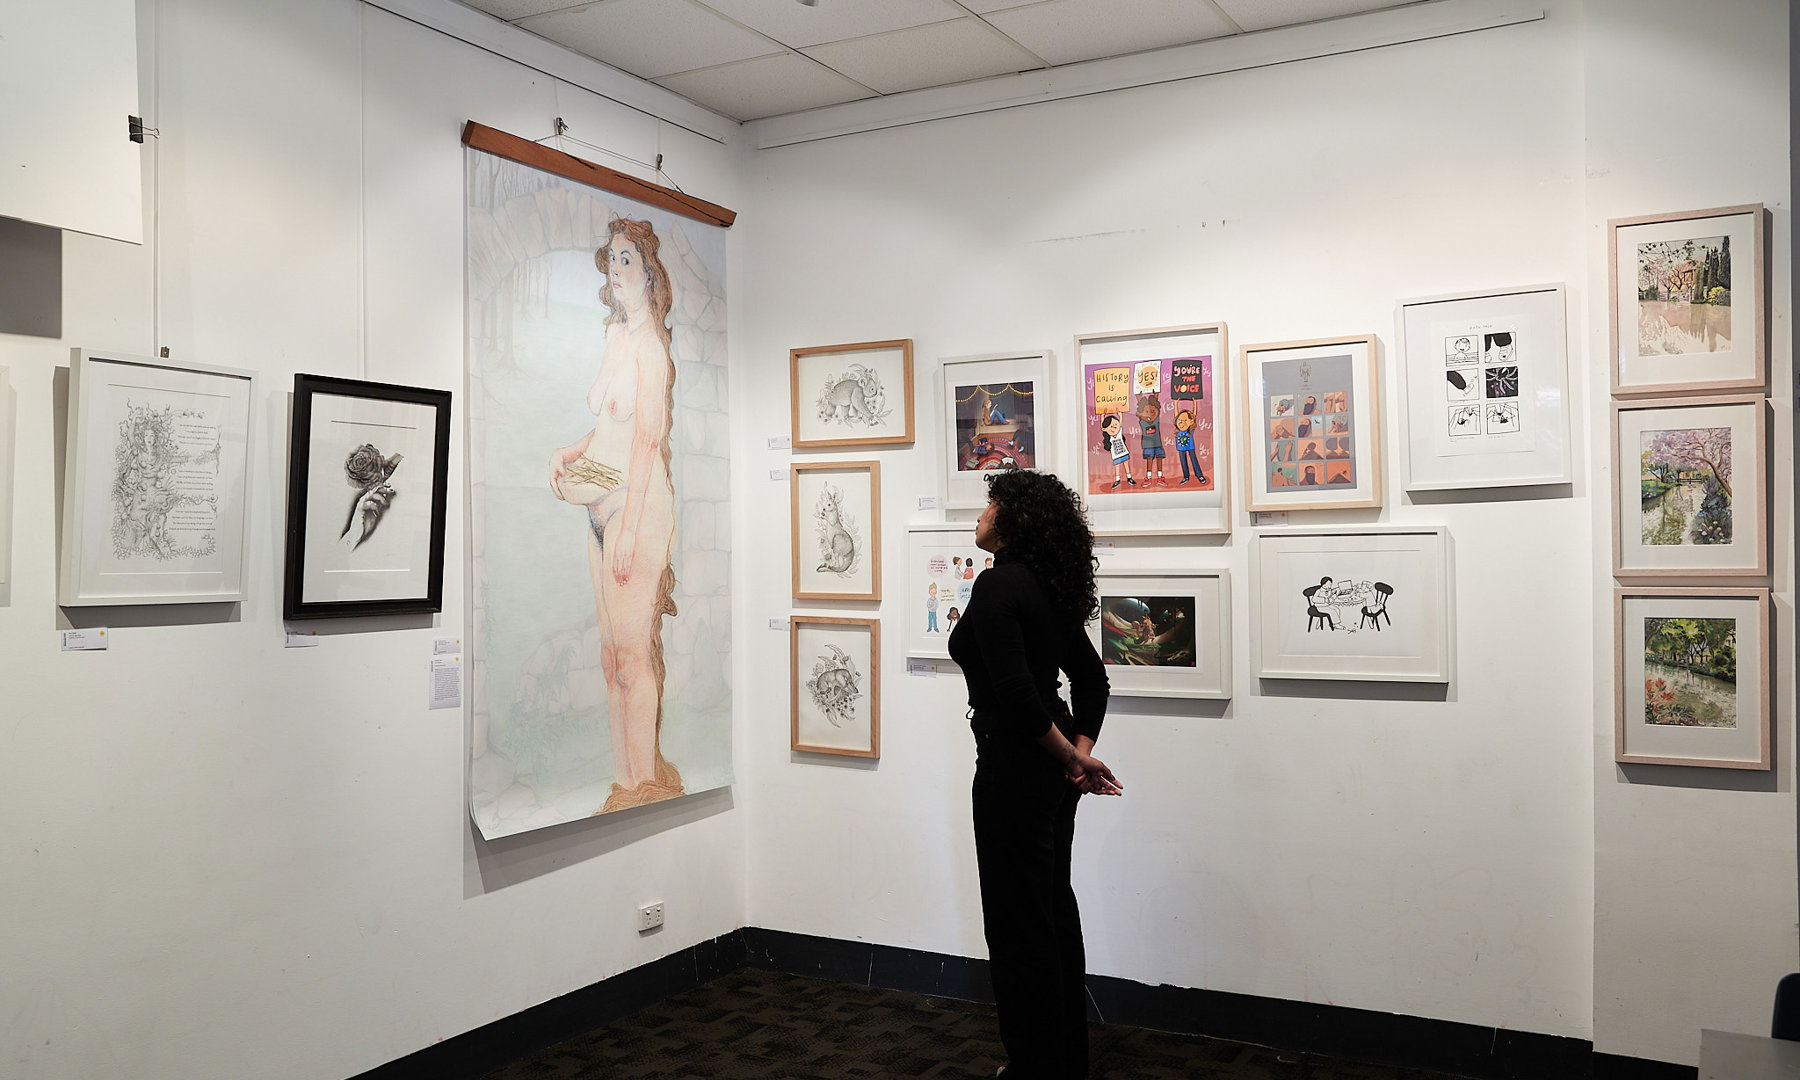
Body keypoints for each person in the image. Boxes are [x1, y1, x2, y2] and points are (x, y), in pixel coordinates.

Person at [948, 468, 1122, 1080]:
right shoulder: (1045, 587)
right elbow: (1092, 681)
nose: (981, 513)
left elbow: (1016, 693)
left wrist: (1071, 755)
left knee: (1017, 921)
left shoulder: (998, 586)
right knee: (1050, 907)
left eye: (990, 503)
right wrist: (1075, 749)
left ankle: (1033, 1066)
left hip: (1016, 765)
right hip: (1050, 774)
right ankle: (1063, 1057)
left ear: (1012, 519)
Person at [548, 216, 684, 813]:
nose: (617, 268)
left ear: (649, 273)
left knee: (633, 654)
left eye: (628, 259)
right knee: (610, 659)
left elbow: (647, 440)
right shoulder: (614, 339)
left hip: (639, 507)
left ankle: (639, 787)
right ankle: (626, 782)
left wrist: (627, 529)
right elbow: (611, 426)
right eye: (612, 258)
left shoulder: (652, 347)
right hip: (601, 501)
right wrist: (573, 451)